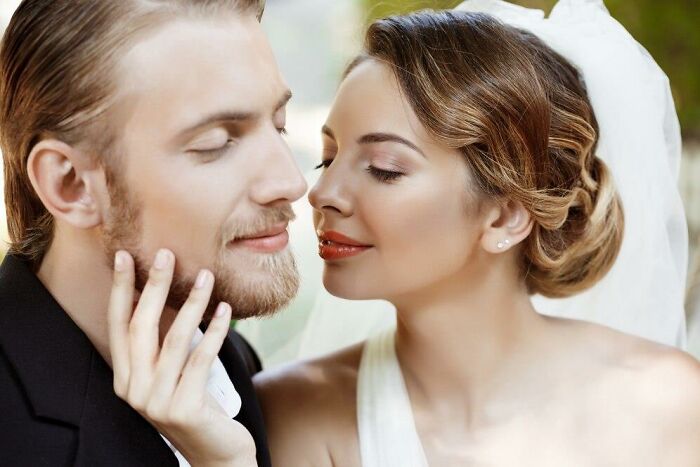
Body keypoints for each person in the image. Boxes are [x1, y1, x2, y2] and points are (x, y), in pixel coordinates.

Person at [114, 1, 700, 466]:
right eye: (327, 159)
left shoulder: (673, 405)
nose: (319, 194)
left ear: (505, 216)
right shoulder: (295, 414)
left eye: (384, 169)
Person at [0, 0, 307, 465]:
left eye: (278, 126)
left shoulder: (232, 362)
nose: (291, 183)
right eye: (216, 143)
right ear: (72, 184)